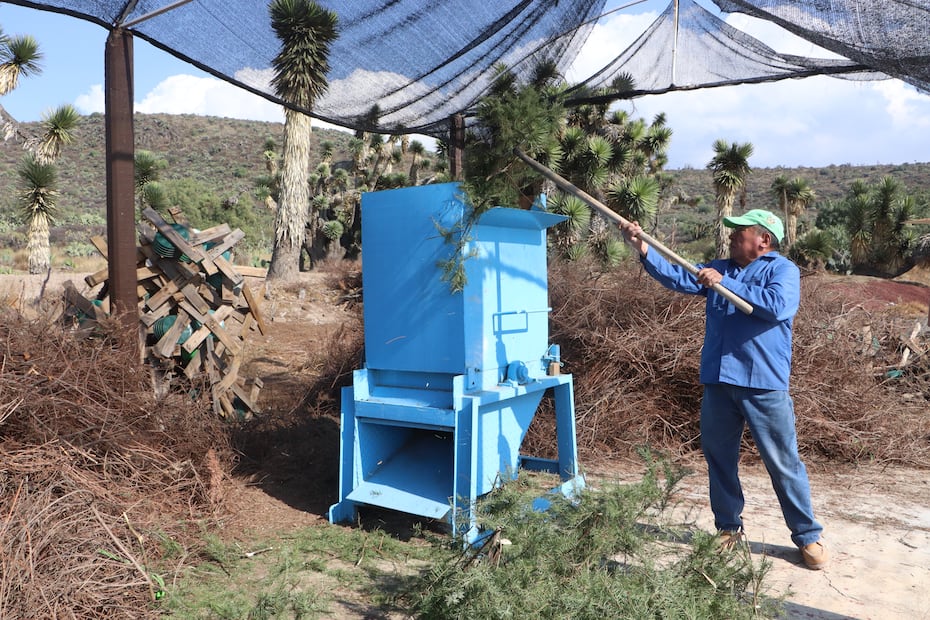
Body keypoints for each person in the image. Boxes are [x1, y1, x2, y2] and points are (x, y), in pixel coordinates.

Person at [619, 209, 828, 570]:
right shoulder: (720, 267)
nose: (730, 237)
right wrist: (643, 249)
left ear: (764, 240)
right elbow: (679, 276)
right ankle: (728, 529)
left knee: (782, 462)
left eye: (739, 232)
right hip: (718, 381)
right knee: (720, 460)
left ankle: (807, 536)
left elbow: (778, 306)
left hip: (763, 384)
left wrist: (724, 283)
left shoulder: (782, 270)